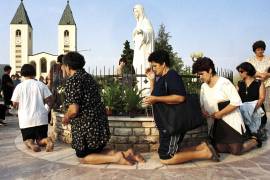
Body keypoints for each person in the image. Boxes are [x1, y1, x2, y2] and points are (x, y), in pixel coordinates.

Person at [61, 51, 144, 165]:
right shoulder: (88, 77)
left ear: (67, 66)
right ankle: (127, 153)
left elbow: (74, 109)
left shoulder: (73, 80)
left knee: (83, 157)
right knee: (97, 150)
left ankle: (117, 158)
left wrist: (66, 117)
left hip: (86, 128)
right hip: (98, 126)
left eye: (63, 66)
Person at [143, 50, 219, 165]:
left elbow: (180, 98)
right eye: (152, 66)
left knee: (166, 157)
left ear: (163, 64)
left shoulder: (172, 75)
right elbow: (154, 96)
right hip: (166, 124)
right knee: (166, 151)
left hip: (172, 123)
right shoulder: (161, 78)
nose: (153, 68)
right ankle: (201, 147)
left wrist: (157, 99)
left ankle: (205, 153)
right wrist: (152, 80)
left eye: (155, 66)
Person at [192, 57, 260, 155]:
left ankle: (255, 140)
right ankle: (230, 142)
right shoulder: (203, 87)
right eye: (198, 75)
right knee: (220, 148)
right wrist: (204, 112)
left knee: (236, 150)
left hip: (230, 120)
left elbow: (236, 102)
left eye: (201, 74)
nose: (200, 77)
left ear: (210, 70)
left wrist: (220, 113)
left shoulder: (224, 82)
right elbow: (202, 104)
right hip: (215, 122)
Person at [11, 64, 54, 152]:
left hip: (26, 119)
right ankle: (47, 141)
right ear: (34, 73)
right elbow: (50, 100)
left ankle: (31, 144)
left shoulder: (19, 87)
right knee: (40, 140)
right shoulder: (41, 84)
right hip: (41, 118)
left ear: (22, 73)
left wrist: (17, 107)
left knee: (28, 139)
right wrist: (46, 110)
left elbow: (14, 103)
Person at [236, 62, 266, 142]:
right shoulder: (240, 83)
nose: (240, 73)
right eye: (239, 72)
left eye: (241, 71)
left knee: (259, 136)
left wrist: (252, 109)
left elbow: (262, 98)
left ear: (248, 71)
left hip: (256, 110)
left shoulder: (259, 83)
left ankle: (260, 131)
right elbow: (235, 97)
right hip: (244, 112)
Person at [247, 40, 270, 139]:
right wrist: (259, 74)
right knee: (258, 106)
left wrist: (267, 75)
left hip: (268, 85)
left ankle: (264, 126)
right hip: (256, 86)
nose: (260, 51)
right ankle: (259, 127)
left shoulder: (269, 59)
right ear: (254, 50)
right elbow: (247, 70)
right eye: (258, 49)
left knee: (267, 106)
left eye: (261, 49)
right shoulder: (250, 60)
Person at [132, 4, 155, 94]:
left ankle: (146, 89)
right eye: (134, 12)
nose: (135, 14)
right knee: (137, 66)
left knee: (144, 67)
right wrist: (135, 32)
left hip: (144, 51)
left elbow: (151, 32)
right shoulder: (138, 23)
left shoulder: (146, 21)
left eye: (136, 11)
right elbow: (134, 38)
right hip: (138, 51)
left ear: (141, 11)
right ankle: (140, 87)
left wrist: (143, 32)